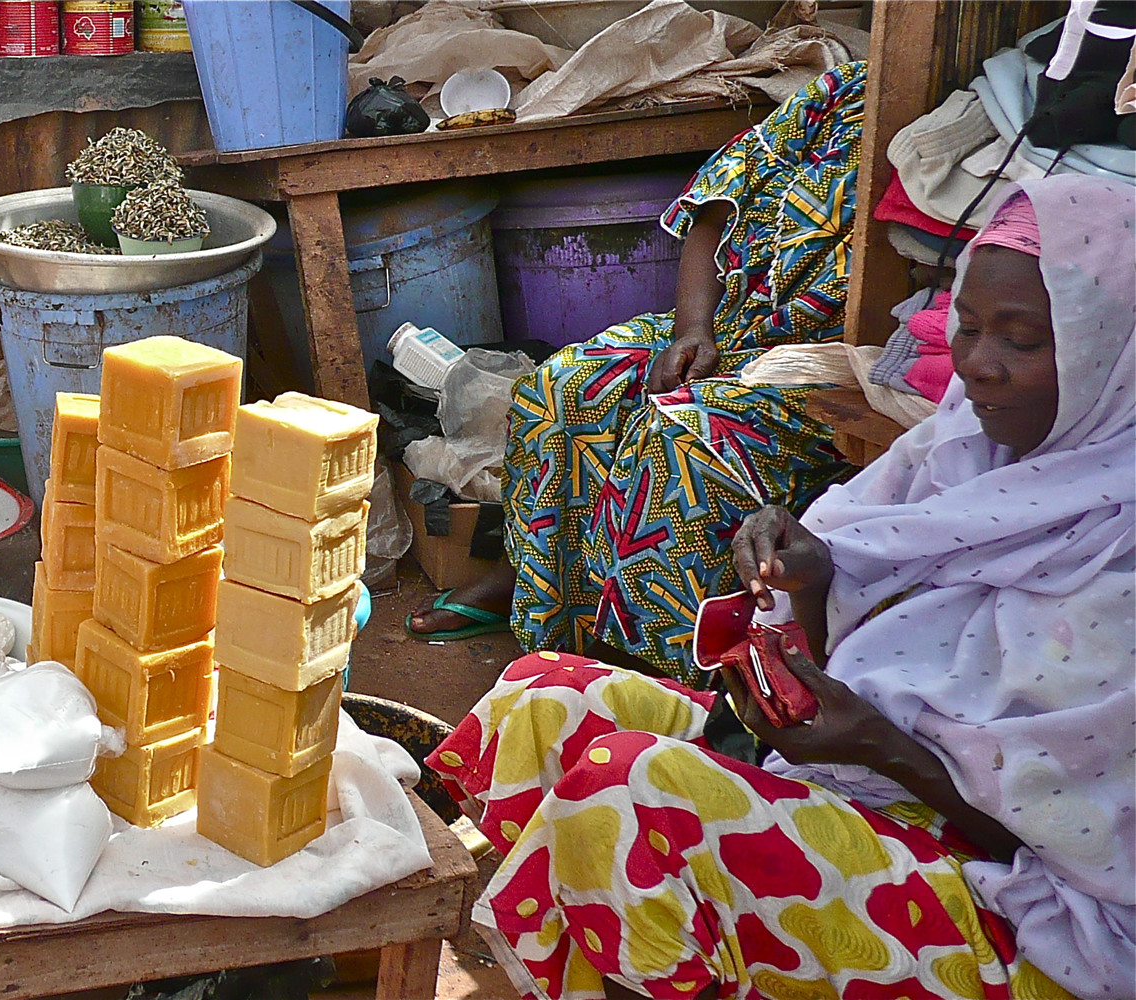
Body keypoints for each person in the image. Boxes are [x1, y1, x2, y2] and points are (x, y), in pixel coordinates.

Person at [427, 175, 1135, 1000]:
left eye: (1021, 340)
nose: (976, 366)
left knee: (628, 794)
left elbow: (1081, 855)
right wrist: (814, 581)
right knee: (541, 697)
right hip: (870, 787)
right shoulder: (956, 455)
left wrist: (878, 747)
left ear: (1111, 355)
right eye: (968, 328)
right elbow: (856, 666)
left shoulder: (1118, 554)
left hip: (1024, 916)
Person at [408, 63, 866, 686]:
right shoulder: (841, 94)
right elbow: (713, 209)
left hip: (823, 364)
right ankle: (533, 588)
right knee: (562, 385)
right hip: (730, 319)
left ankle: (651, 663)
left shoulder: (967, 152)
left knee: (683, 434)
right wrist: (693, 330)